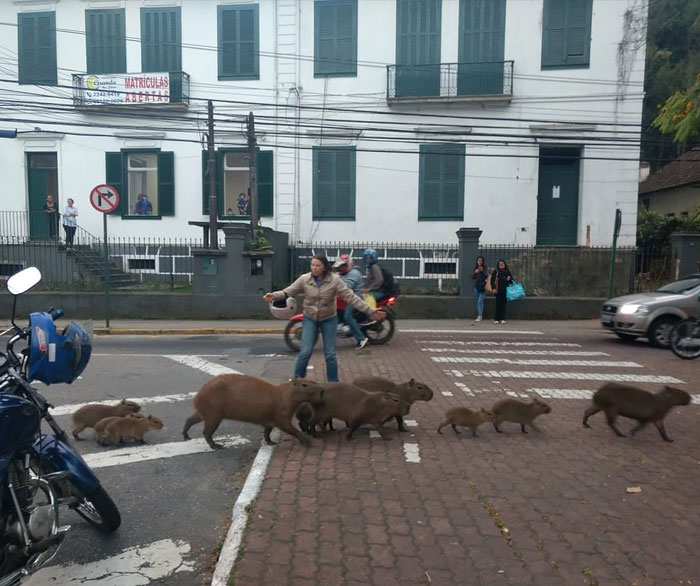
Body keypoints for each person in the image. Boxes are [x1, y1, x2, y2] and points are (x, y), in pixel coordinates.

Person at [262, 254, 385, 382]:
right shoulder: (304, 279)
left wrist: (370, 311)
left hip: (329, 319)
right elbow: (288, 291)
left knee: (330, 354)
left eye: (317, 265)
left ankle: (333, 383)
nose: (314, 268)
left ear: (325, 267)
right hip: (310, 318)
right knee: (305, 352)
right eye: (312, 265)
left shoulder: (335, 280)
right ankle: (297, 381)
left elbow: (351, 297)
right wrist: (274, 296)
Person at [334, 253, 370, 349]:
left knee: (348, 316)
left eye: (343, 266)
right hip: (349, 296)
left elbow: (346, 287)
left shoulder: (354, 273)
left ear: (349, 264)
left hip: (357, 296)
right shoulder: (343, 273)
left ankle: (361, 338)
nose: (341, 268)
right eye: (340, 266)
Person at [490, 259, 513, 324]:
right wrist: (493, 288)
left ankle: (502, 318)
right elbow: (492, 280)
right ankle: (496, 318)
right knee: (498, 304)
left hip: (505, 290)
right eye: (500, 264)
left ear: (505, 265)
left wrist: (509, 279)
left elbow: (511, 281)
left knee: (503, 305)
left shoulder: (507, 272)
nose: (501, 265)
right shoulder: (496, 272)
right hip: (498, 290)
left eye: (503, 264)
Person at [473, 256, 488, 322]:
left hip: (483, 287)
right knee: (479, 302)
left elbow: (487, 276)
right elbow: (473, 277)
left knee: (480, 301)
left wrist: (483, 271)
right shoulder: (476, 268)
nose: (479, 262)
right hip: (476, 287)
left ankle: (480, 316)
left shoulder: (485, 268)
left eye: (481, 261)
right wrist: (475, 272)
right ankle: (480, 315)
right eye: (478, 260)